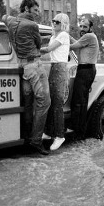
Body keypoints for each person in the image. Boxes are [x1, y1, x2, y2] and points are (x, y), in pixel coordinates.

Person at [1, 0, 51, 156]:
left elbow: (4, 17)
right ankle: (36, 141)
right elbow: (38, 44)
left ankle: (27, 138)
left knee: (28, 103)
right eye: (36, 10)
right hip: (34, 66)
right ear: (28, 8)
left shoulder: (10, 21)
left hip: (22, 67)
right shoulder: (32, 26)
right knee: (45, 102)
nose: (38, 13)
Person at [40, 12, 71, 151]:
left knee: (57, 102)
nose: (54, 23)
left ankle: (60, 135)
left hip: (60, 68)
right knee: (51, 101)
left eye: (57, 22)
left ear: (63, 24)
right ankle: (49, 132)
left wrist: (32, 50)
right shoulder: (54, 36)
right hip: (54, 68)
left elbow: (48, 49)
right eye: (53, 21)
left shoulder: (63, 35)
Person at [69, 15, 99, 139]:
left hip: (85, 70)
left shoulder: (89, 36)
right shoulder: (87, 37)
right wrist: (66, 36)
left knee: (77, 102)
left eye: (85, 26)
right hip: (87, 70)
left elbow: (72, 46)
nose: (82, 28)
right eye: (80, 26)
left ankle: (77, 132)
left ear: (90, 27)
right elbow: (76, 42)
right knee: (82, 102)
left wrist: (59, 41)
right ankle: (81, 132)